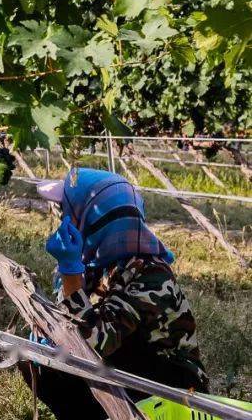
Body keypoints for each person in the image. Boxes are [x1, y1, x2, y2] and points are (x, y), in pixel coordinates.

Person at [24, 168, 208, 419]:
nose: (61, 218)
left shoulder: (150, 274)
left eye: (66, 211)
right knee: (37, 362)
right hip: (123, 364)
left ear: (88, 217)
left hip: (171, 386)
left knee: (75, 360)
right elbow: (69, 323)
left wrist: (70, 274)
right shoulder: (93, 264)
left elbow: (94, 343)